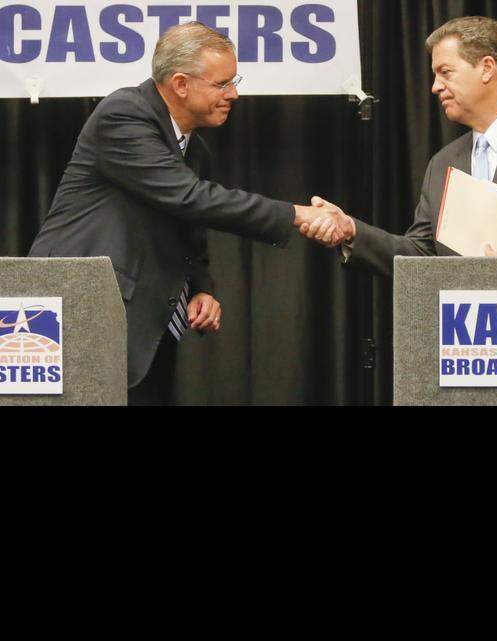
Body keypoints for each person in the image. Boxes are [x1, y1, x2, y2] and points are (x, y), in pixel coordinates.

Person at [27, 22, 351, 405]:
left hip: (144, 325)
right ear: (181, 84)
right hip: (77, 310)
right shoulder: (123, 115)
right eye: (222, 84)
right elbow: (188, 197)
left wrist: (201, 288)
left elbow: (187, 230)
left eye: (233, 82)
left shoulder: (195, 151)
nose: (234, 94)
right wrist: (296, 215)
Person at [301, 16, 497, 274]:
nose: (435, 86)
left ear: (487, 68)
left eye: (445, 72)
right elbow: (421, 255)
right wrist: (351, 230)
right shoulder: (443, 163)